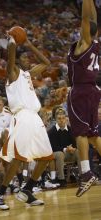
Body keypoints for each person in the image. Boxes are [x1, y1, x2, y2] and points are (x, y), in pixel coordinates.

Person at [0, 33, 54, 210]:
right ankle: (0, 193)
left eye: (28, 57)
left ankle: (27, 190)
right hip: (22, 117)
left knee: (46, 158)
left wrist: (28, 43)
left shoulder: (28, 74)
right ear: (18, 61)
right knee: (18, 159)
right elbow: (10, 60)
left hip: (35, 118)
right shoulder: (13, 73)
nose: (29, 59)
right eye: (25, 57)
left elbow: (46, 63)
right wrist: (13, 42)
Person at [67, 0, 101, 197]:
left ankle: (86, 172)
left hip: (80, 92)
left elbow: (86, 18)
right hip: (93, 91)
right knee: (93, 136)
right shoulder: (95, 43)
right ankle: (87, 172)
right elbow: (93, 17)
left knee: (80, 133)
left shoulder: (86, 43)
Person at [48, 111, 81, 187]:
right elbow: (52, 147)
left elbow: (75, 144)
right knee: (60, 154)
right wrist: (65, 149)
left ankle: (82, 176)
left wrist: (73, 148)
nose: (62, 120)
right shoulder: (51, 131)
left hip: (69, 153)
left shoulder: (71, 130)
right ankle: (61, 179)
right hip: (56, 153)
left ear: (66, 119)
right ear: (56, 120)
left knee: (79, 152)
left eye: (63, 118)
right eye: (59, 118)